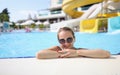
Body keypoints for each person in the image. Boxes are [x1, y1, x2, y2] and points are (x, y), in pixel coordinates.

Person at [36, 27, 110, 59]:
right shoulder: (57, 48)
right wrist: (67, 54)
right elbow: (39, 54)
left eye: (69, 39)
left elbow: (106, 53)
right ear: (59, 41)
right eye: (62, 40)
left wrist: (77, 52)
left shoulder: (79, 50)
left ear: (74, 39)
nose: (66, 43)